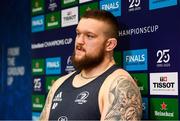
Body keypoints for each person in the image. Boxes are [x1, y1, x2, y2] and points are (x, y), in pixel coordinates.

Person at [40, 10, 142, 121]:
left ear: (109, 44)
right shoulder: (59, 84)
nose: (79, 41)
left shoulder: (118, 84)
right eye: (78, 34)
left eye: (89, 36)